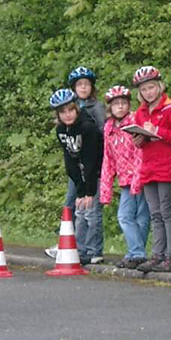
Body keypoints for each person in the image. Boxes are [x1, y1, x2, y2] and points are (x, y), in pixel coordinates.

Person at [130, 65, 171, 273]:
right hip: (148, 167)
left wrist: (158, 131)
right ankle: (158, 254)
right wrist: (139, 139)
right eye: (144, 90)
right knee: (154, 212)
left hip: (167, 167)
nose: (148, 93)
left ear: (160, 86)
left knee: (167, 210)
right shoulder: (140, 112)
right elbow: (141, 142)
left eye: (152, 88)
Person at [50, 88, 104, 265]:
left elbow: (91, 160)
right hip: (80, 171)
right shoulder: (61, 130)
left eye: (70, 110)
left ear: (77, 109)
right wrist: (80, 191)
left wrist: (89, 191)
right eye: (63, 112)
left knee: (92, 212)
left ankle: (94, 250)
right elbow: (70, 161)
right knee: (80, 211)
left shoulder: (88, 128)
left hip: (96, 171)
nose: (67, 115)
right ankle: (80, 250)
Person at [99, 84, 151, 269]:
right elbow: (108, 159)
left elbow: (140, 153)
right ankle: (137, 253)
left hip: (141, 176)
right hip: (124, 180)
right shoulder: (109, 128)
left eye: (123, 103)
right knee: (128, 216)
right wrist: (105, 189)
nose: (120, 107)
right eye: (116, 104)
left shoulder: (134, 122)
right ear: (110, 108)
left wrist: (138, 178)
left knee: (135, 216)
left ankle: (137, 253)